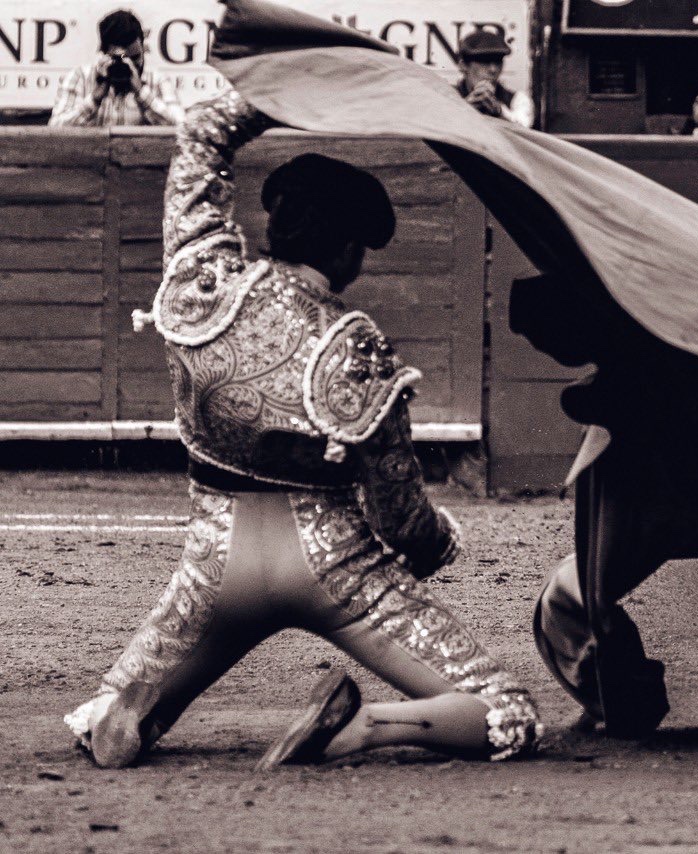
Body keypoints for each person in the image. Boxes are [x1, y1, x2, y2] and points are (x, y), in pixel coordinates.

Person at [63, 87, 540, 770]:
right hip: (334, 571)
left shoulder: (203, 280)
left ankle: (122, 711)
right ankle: (368, 726)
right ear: (348, 250)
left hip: (215, 568)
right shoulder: (354, 345)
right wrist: (442, 546)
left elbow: (203, 134)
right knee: (505, 713)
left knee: (111, 715)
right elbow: (403, 519)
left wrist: (297, 83)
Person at [48, 9, 182, 127]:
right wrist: (94, 99)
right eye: (120, 59)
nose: (129, 65)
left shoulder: (157, 80)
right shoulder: (80, 76)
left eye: (135, 57)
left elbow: (181, 127)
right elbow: (56, 130)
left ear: (143, 48)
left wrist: (141, 92)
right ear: (103, 53)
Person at [455, 29, 534, 128]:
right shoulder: (446, 95)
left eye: (498, 61)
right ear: (463, 66)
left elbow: (523, 128)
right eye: (484, 61)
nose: (493, 69)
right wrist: (465, 108)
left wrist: (499, 111)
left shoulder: (517, 100)